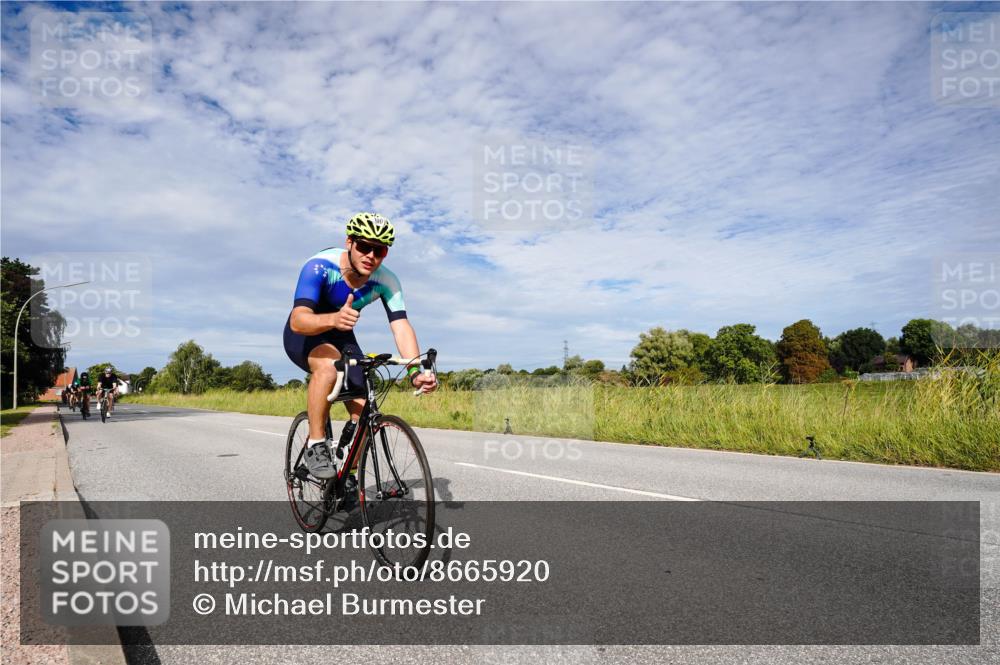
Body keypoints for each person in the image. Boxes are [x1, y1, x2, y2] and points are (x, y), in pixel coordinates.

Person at [283, 212, 437, 479]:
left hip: (342, 336)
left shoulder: (387, 281)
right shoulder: (319, 267)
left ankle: (348, 475)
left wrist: (415, 372)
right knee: (329, 368)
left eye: (380, 251)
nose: (371, 256)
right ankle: (315, 443)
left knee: (364, 410)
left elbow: (401, 326)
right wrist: (334, 318)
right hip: (306, 333)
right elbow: (298, 320)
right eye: (364, 246)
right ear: (349, 242)